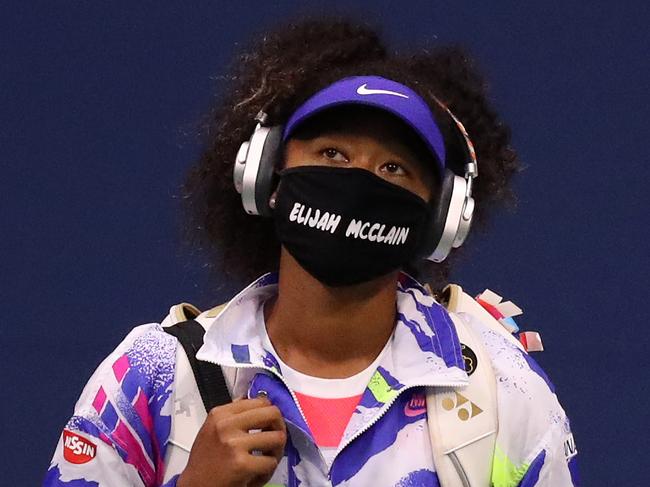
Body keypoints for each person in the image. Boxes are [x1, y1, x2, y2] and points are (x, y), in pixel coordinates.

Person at [44, 18, 579, 487]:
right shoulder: (152, 375)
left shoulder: (502, 391)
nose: (359, 181)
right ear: (266, 176)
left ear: (439, 219)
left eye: (394, 169)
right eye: (332, 153)